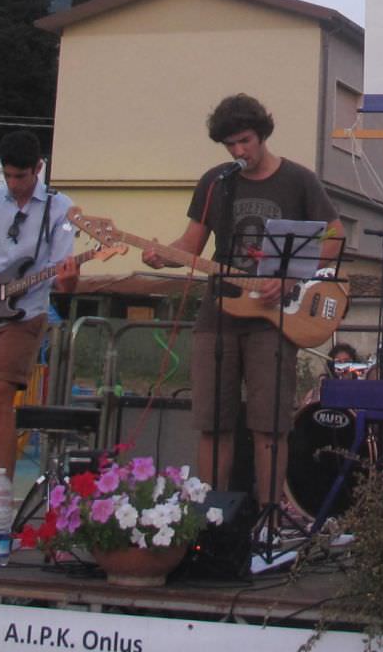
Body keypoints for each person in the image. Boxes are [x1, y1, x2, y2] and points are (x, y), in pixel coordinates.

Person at [143, 93, 344, 530]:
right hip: (219, 315)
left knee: (269, 425)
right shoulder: (215, 182)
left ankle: (269, 520)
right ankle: (211, 521)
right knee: (213, 421)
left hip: (275, 318)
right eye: (230, 145)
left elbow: (334, 237)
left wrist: (291, 276)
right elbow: (191, 245)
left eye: (245, 141)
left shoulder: (298, 181)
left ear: (262, 134)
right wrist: (161, 254)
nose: (239, 152)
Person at [0, 129, 79, 482]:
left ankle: (1, 488)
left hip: (26, 312)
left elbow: (60, 273)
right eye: (8, 175)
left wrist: (69, 280)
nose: (13, 183)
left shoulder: (62, 207)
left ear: (38, 168)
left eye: (20, 176)